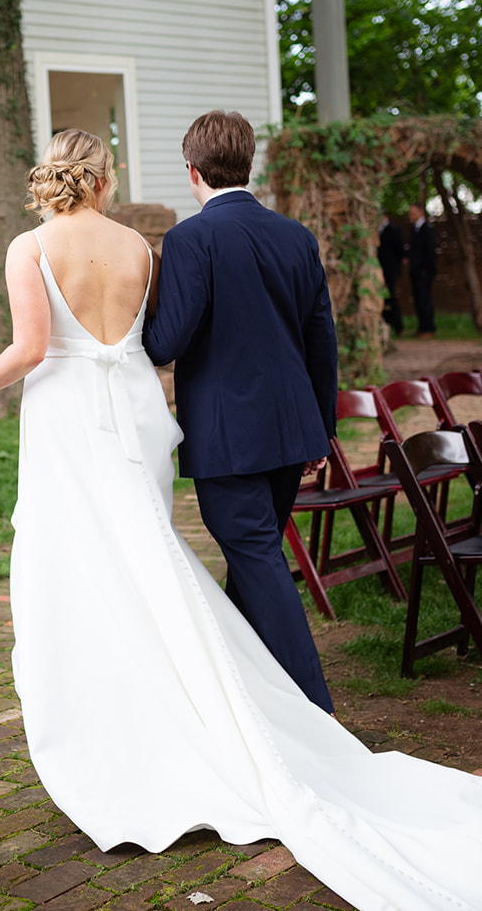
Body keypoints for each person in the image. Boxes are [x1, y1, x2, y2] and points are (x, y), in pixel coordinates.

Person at [0, 125, 482, 910]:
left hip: (87, 420)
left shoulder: (39, 246)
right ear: (106, 177)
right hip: (148, 420)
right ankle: (230, 692)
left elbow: (52, 345)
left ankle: (251, 710)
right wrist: (316, 423)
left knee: (100, 566)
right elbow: (253, 338)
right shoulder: (149, 248)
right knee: (158, 559)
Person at [144, 110, 335, 713]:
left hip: (229, 437)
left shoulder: (190, 240)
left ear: (192, 171)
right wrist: (319, 432)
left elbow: (166, 342)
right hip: (290, 430)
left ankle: (315, 710)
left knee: (257, 559)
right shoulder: (295, 236)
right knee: (253, 559)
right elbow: (321, 341)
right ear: (248, 164)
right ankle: (255, 696)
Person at [408, 201, 437, 338]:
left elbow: (430, 252)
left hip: (424, 271)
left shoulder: (427, 229)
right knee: (418, 299)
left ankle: (429, 328)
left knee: (425, 300)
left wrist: (425, 269)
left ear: (421, 212)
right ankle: (422, 327)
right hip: (415, 271)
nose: (411, 216)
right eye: (410, 213)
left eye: (413, 213)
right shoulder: (415, 229)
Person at [377, 214, 405, 335]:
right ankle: (386, 324)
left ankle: (398, 327)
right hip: (378, 270)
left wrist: (395, 268)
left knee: (391, 296)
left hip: (389, 270)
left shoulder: (393, 230)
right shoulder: (376, 231)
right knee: (382, 297)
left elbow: (400, 251)